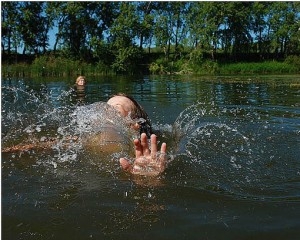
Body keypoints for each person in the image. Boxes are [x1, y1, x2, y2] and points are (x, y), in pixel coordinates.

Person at [2, 93, 167, 177]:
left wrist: (147, 177)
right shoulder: (86, 138)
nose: (104, 111)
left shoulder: (142, 151)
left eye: (114, 110)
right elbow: (46, 145)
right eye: (104, 107)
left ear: (134, 125)